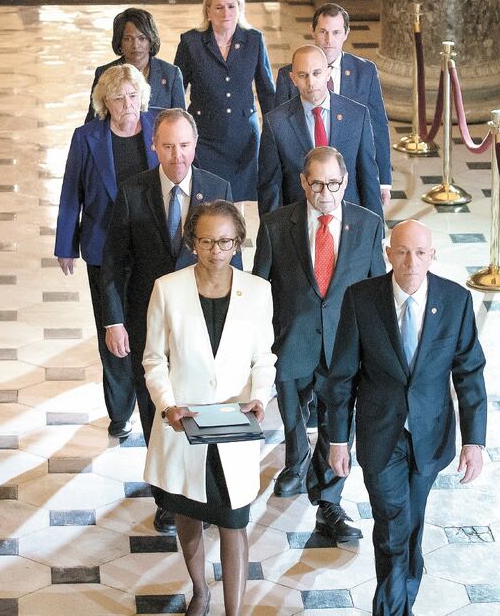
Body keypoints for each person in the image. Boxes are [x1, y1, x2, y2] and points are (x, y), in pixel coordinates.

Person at [323, 220, 487, 615]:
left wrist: (474, 441)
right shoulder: (361, 299)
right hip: (381, 437)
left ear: (433, 256)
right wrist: (338, 439)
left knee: (410, 527)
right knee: (394, 526)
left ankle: (402, 594)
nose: (410, 261)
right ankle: (394, 610)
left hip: (431, 438)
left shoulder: (456, 300)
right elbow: (341, 376)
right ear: (388, 253)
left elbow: (469, 372)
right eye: (402, 251)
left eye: (419, 253)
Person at [101, 108, 238, 536]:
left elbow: (235, 258)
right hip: (151, 321)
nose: (177, 155)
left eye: (184, 145)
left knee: (201, 399)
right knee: (157, 406)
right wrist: (114, 321)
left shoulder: (218, 188)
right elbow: (113, 265)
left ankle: (206, 489)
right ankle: (166, 497)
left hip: (204, 320)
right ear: (154, 147)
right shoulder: (132, 192)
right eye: (167, 146)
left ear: (194, 145)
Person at [143, 201, 276, 616]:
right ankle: (200, 589)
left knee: (234, 520)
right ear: (192, 243)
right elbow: (154, 358)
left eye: (225, 241)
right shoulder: (168, 288)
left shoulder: (257, 292)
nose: (216, 250)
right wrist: (168, 407)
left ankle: (234, 611)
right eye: (206, 241)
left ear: (238, 243)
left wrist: (260, 395)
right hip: (185, 427)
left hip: (234, 428)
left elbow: (264, 359)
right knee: (188, 511)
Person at [253, 146, 385, 543]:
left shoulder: (367, 224)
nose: (324, 193)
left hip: (344, 345)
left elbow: (377, 289)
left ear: (344, 183)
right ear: (303, 182)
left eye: (333, 184)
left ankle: (329, 498)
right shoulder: (277, 225)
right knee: (293, 416)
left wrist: (376, 348)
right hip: (292, 342)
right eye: (316, 184)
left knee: (336, 422)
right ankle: (296, 462)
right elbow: (260, 290)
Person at [55, 64, 159, 440]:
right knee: (112, 329)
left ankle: (155, 399)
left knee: (150, 327)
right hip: (103, 247)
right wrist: (66, 244)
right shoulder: (87, 138)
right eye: (118, 97)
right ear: (105, 102)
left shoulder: (157, 129)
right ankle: (120, 409)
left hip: (152, 246)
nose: (127, 104)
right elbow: (72, 192)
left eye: (133, 96)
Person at [274, 3, 392, 205]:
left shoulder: (365, 72)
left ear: (346, 33)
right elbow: (278, 135)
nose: (329, 41)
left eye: (336, 32)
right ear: (312, 31)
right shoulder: (288, 75)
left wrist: (384, 182)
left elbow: (378, 127)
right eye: (323, 32)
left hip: (348, 180)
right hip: (304, 183)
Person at [174, 0, 275, 202]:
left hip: (244, 142)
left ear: (240, 8)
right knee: (206, 201)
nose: (226, 12)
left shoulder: (254, 40)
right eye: (218, 7)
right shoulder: (191, 43)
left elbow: (267, 91)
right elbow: (176, 91)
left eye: (231, 6)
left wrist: (275, 133)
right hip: (205, 138)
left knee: (238, 203)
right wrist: (177, 133)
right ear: (208, 11)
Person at [257, 45, 383, 219]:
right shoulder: (276, 123)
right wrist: (272, 238)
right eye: (303, 75)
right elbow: (270, 188)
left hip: (348, 222)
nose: (311, 82)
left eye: (316, 73)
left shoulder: (357, 115)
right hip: (298, 224)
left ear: (328, 73)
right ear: (293, 79)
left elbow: (368, 178)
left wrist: (376, 235)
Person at [85, 8, 185, 123]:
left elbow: (180, 121)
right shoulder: (104, 73)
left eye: (142, 38)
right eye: (128, 39)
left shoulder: (171, 74)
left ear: (151, 41)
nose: (135, 45)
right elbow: (94, 120)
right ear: (119, 43)